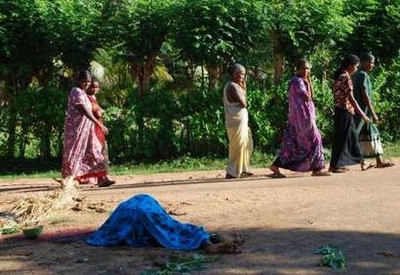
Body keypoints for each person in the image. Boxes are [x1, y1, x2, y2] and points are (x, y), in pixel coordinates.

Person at [86, 194, 243, 254]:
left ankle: (210, 240)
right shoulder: (147, 207)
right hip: (142, 209)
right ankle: (209, 241)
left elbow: (108, 233)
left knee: (165, 234)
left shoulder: (114, 222)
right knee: (173, 230)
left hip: (132, 217)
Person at [269, 59, 330, 178]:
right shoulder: (298, 82)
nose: (306, 71)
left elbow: (311, 96)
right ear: (297, 69)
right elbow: (308, 97)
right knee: (316, 139)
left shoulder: (298, 80)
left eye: (307, 68)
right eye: (303, 68)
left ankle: (276, 165)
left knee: (293, 145)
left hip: (301, 119)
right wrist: (307, 82)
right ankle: (317, 168)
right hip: (303, 120)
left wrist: (309, 80)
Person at [61, 70, 115, 187]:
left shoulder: (85, 94)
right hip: (76, 130)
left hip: (88, 129)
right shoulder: (76, 91)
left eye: (88, 81)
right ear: (78, 80)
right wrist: (98, 124)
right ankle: (71, 179)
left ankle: (102, 177)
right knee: (75, 154)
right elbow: (83, 110)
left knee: (95, 151)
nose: (86, 83)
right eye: (84, 81)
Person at [329, 54, 372, 173]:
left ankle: (362, 162)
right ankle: (334, 166)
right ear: (350, 66)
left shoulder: (339, 76)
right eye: (356, 66)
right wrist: (364, 115)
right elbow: (352, 99)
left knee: (351, 138)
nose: (356, 69)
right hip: (344, 111)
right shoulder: (346, 77)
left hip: (341, 111)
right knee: (342, 139)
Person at [353, 53, 394, 168]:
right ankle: (372, 161)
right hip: (364, 112)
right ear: (364, 62)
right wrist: (373, 113)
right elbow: (365, 95)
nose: (373, 65)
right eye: (371, 62)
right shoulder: (362, 75)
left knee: (365, 135)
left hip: (361, 112)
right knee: (370, 133)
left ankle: (372, 161)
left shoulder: (359, 75)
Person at [223, 63, 253, 179]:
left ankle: (243, 169)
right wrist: (243, 88)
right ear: (235, 74)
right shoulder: (232, 87)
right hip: (236, 121)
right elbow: (244, 103)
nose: (243, 77)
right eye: (242, 74)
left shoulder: (235, 86)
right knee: (238, 146)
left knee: (247, 143)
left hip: (239, 121)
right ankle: (232, 171)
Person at [86, 78, 115, 184]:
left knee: (100, 153)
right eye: (92, 87)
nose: (95, 89)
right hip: (93, 130)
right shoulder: (88, 99)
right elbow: (96, 113)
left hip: (98, 129)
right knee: (98, 153)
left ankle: (101, 177)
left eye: (97, 87)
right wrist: (100, 111)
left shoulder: (93, 98)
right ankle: (103, 178)